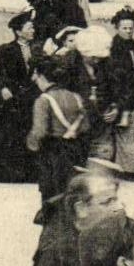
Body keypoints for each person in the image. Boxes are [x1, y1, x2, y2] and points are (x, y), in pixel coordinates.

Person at [95, 8, 134, 178]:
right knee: (126, 133)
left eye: (131, 28)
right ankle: (125, 168)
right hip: (125, 93)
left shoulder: (133, 45)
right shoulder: (115, 48)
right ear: (117, 28)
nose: (128, 31)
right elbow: (115, 77)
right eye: (124, 28)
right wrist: (120, 101)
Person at [28, 53, 90, 205]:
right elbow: (85, 126)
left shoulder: (43, 100)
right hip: (75, 151)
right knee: (72, 192)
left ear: (42, 76)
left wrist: (32, 145)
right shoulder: (76, 97)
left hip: (52, 152)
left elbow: (39, 131)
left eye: (36, 76)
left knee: (51, 192)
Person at [0, 10, 40, 184]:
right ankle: (7, 173)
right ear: (18, 32)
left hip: (31, 96)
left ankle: (29, 172)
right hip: (14, 98)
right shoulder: (7, 49)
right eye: (29, 27)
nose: (33, 30)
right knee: (11, 134)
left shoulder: (37, 48)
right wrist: (3, 87)